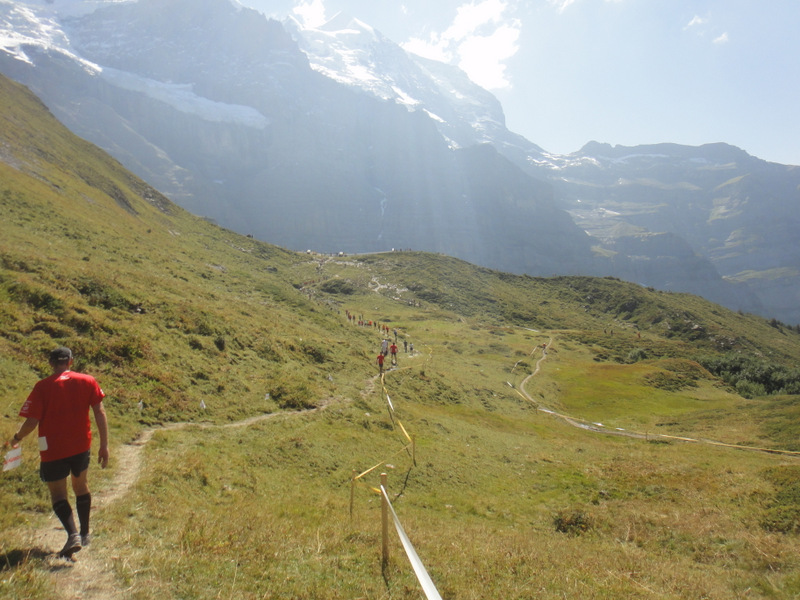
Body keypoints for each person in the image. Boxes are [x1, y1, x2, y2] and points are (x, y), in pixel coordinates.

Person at [7, 347, 109, 558]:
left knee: (58, 494)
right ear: (70, 361)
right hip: (81, 445)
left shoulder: (42, 387)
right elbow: (100, 412)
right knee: (81, 486)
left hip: (52, 449)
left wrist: (16, 439)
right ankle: (85, 532)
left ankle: (73, 535)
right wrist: (104, 445)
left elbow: (32, 421)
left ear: (51, 363)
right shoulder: (88, 380)